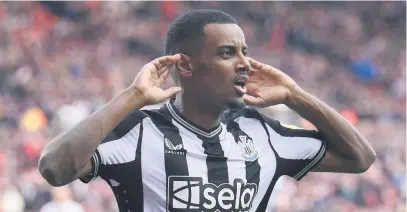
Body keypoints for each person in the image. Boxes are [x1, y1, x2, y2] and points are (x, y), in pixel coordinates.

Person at [38, 10, 376, 212]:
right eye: (228, 53)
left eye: (245, 51)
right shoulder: (138, 133)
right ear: (185, 66)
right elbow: (55, 168)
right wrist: (133, 96)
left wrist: (295, 95)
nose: (245, 64)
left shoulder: (262, 134)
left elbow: (360, 157)